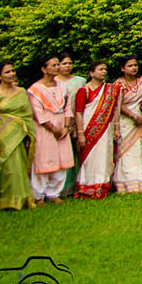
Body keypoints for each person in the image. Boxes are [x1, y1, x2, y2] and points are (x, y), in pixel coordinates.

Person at [0, 62, 35, 211]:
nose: (12, 74)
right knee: (0, 169)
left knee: (16, 169)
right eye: (7, 72)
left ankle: (19, 200)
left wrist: (27, 134)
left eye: (13, 71)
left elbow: (27, 115)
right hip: (0, 136)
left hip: (18, 135)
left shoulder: (21, 91)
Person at [28, 56, 74, 204]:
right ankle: (39, 195)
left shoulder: (62, 86)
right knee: (44, 160)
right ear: (43, 69)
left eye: (57, 64)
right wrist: (53, 129)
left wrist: (66, 127)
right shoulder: (34, 90)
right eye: (53, 65)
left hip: (62, 126)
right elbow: (38, 113)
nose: (56, 67)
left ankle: (54, 193)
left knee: (61, 160)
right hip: (45, 129)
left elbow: (67, 108)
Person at [72, 60, 119, 200]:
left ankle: (102, 186)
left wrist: (116, 127)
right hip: (89, 127)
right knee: (90, 157)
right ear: (91, 73)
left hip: (106, 128)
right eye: (100, 69)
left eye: (105, 69)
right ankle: (87, 186)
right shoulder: (83, 90)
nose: (104, 72)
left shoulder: (110, 89)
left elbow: (115, 108)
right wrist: (80, 133)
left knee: (104, 155)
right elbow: (79, 113)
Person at [112, 56, 142, 194]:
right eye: (130, 66)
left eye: (135, 65)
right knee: (125, 153)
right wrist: (133, 116)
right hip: (126, 122)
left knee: (137, 151)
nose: (134, 68)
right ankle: (124, 184)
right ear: (122, 69)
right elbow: (118, 104)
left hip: (141, 122)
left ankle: (139, 183)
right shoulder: (118, 84)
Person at [54, 52, 83, 198]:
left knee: (77, 152)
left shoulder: (80, 81)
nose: (67, 66)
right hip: (59, 122)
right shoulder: (53, 82)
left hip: (79, 121)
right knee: (62, 154)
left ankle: (76, 185)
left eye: (69, 63)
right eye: (63, 63)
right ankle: (61, 188)